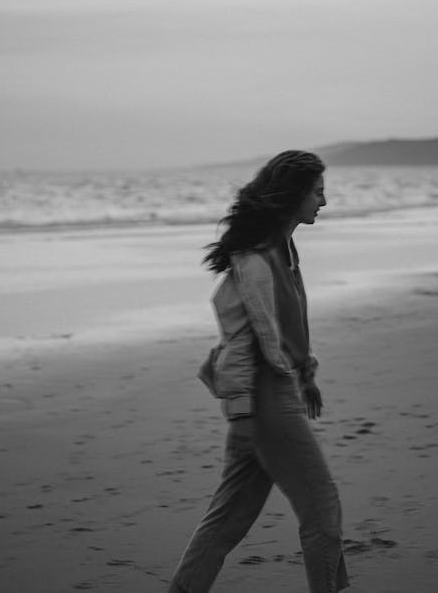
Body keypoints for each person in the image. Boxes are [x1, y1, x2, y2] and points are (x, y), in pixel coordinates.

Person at [168, 150, 349, 593]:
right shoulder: (256, 258)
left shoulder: (283, 249)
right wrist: (249, 408)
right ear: (295, 195)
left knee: (226, 521)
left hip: (266, 398)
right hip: (265, 399)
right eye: (318, 192)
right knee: (321, 509)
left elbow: (284, 329)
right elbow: (249, 339)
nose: (323, 202)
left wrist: (305, 375)